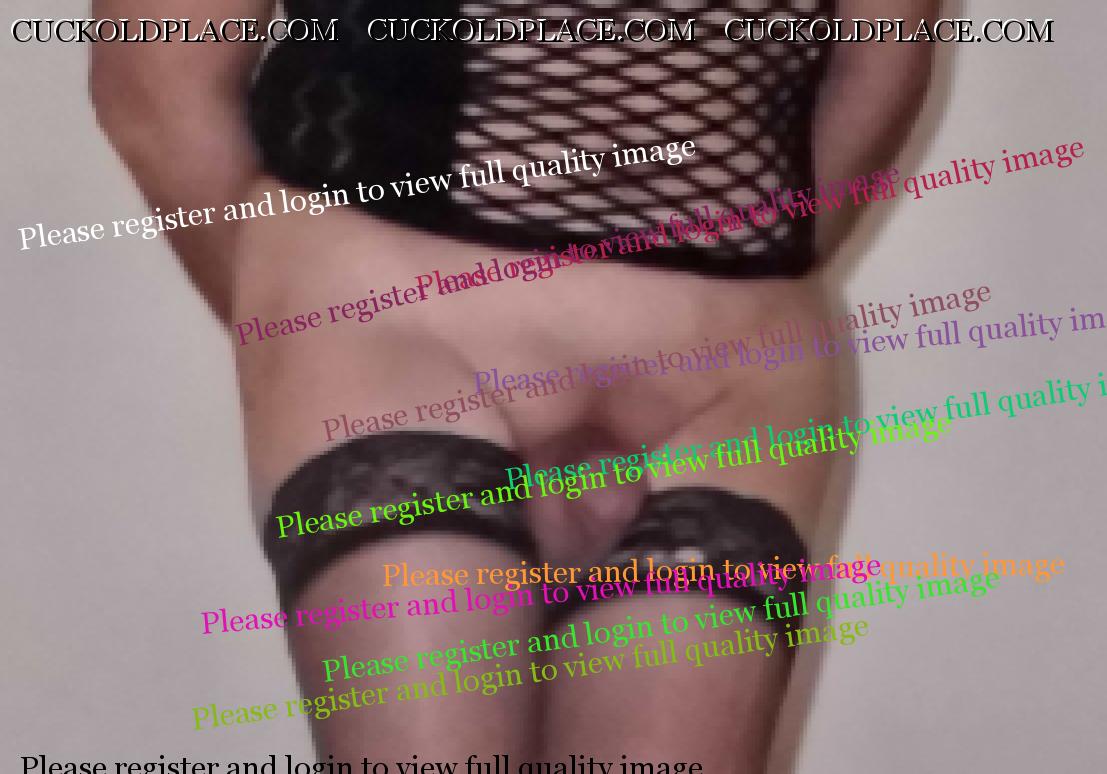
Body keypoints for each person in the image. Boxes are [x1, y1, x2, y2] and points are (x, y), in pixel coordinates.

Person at [91, 1, 938, 770]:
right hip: (404, 337)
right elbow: (155, 90)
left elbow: (879, 64)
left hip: (724, 388)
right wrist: (304, 329)